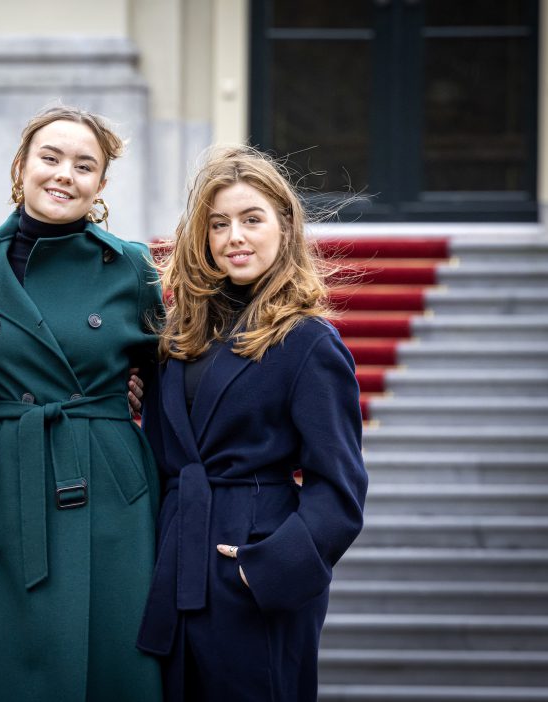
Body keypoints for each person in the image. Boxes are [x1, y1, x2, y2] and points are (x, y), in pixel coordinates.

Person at [0, 106, 164, 701]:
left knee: (108, 650)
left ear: (101, 184)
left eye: (84, 165)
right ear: (21, 166)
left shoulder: (133, 266)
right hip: (0, 478)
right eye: (51, 157)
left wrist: (135, 392)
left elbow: (173, 368)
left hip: (106, 484)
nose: (65, 174)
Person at [136, 145, 368, 701]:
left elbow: (339, 489)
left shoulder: (310, 342)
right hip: (175, 561)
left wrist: (267, 570)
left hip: (254, 569)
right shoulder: (178, 338)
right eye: (219, 224)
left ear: (285, 228)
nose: (234, 236)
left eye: (251, 219)